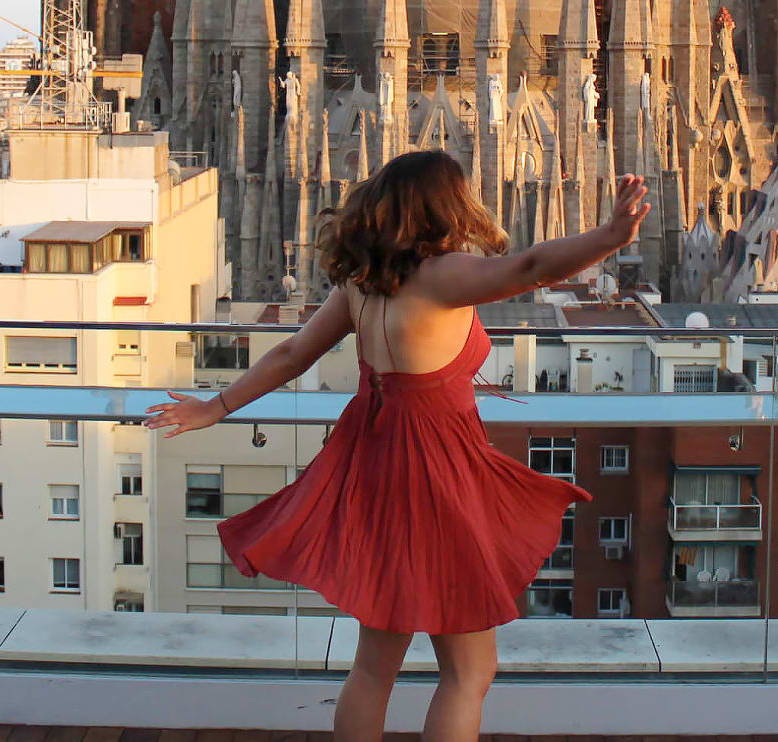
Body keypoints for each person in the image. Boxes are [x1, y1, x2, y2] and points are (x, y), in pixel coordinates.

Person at [145, 151, 651, 739]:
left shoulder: (363, 283)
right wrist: (612, 235)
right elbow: (532, 266)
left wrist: (215, 407)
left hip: (377, 467)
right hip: (438, 476)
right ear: (443, 205)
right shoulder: (443, 277)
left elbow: (290, 355)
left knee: (374, 666)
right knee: (469, 670)